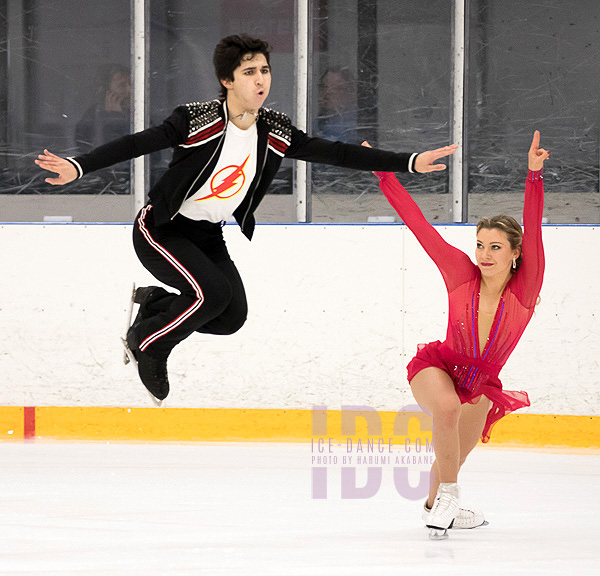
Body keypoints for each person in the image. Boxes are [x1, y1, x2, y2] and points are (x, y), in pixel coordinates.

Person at [35, 33, 457, 405]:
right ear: (227, 80)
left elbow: (337, 152)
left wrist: (411, 161)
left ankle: (155, 304)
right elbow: (137, 142)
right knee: (210, 296)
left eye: (266, 71)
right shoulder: (197, 120)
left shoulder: (273, 129)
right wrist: (79, 165)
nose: (261, 80)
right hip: (161, 229)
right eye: (250, 71)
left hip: (208, 235)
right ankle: (148, 343)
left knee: (229, 317)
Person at [364, 131, 548, 539]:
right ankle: (450, 496)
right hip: (439, 365)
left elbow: (533, 230)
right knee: (446, 410)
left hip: (482, 384)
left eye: (496, 248)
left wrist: (533, 175)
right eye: (481, 244)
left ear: (515, 255)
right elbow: (420, 226)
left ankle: (437, 506)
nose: (484, 254)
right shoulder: (461, 272)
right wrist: (385, 176)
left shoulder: (526, 289)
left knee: (453, 456)